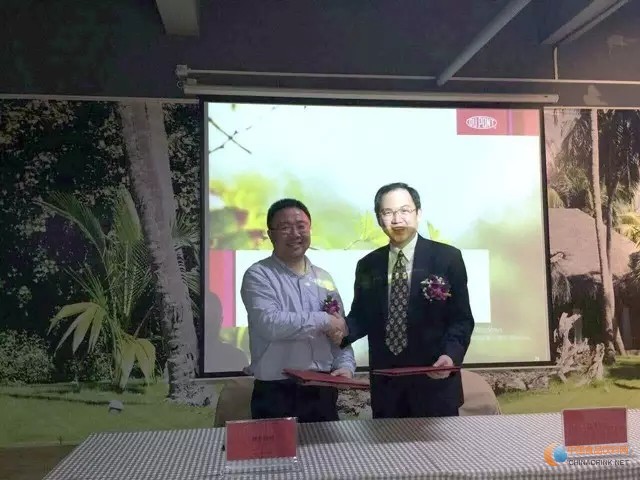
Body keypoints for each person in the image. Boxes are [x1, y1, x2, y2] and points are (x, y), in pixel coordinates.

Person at [335, 182, 474, 418]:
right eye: (388, 212)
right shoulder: (368, 265)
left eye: (404, 211)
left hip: (435, 384)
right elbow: (362, 317)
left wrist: (450, 356)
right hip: (387, 389)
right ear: (379, 219)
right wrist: (338, 330)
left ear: (418, 213)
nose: (397, 219)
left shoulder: (447, 258)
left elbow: (461, 319)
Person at [240, 198, 354, 423]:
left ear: (310, 229)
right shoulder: (259, 275)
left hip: (323, 389)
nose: (295, 234)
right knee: (276, 449)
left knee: (326, 447)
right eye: (285, 227)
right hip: (276, 392)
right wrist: (324, 320)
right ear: (271, 234)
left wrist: (345, 366)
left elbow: (340, 331)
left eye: (301, 226)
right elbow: (270, 324)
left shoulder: (324, 278)